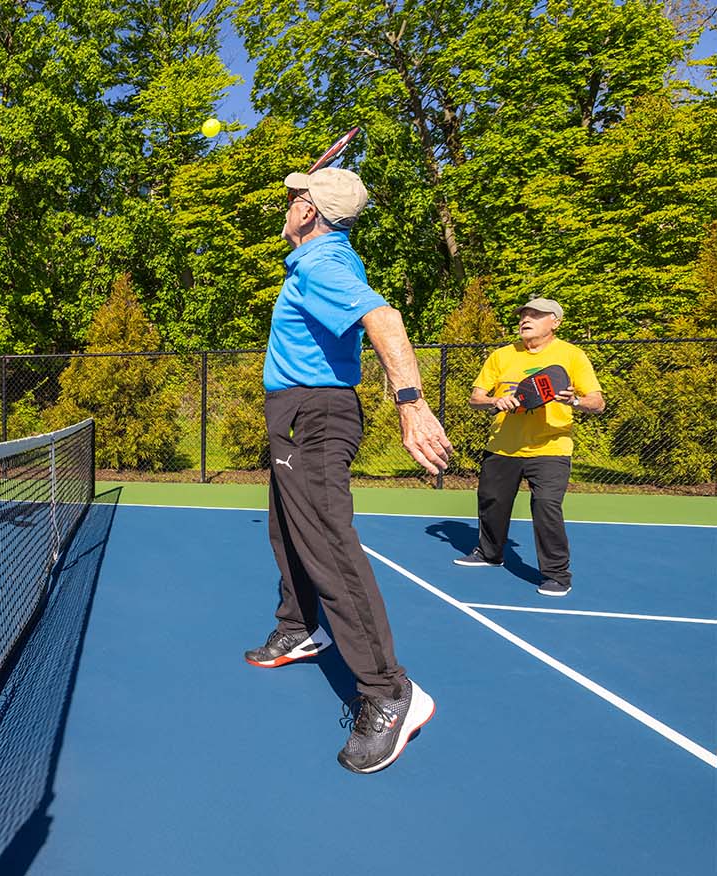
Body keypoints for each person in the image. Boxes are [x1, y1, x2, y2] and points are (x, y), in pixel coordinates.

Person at [243, 167, 451, 774]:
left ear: (309, 212)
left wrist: (412, 404)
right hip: (297, 413)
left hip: (315, 413)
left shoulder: (320, 266)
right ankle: (299, 626)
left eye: (292, 199)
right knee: (287, 530)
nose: (284, 208)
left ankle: (389, 692)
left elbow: (384, 321)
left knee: (330, 545)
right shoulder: (326, 260)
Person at [454, 298, 604, 597]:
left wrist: (572, 400)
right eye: (523, 314)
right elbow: (475, 398)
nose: (526, 319)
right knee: (492, 503)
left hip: (551, 447)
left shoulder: (572, 356)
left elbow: (597, 403)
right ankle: (489, 554)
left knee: (546, 506)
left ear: (555, 322)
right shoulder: (501, 355)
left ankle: (557, 575)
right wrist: (494, 401)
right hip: (502, 447)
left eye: (535, 315)